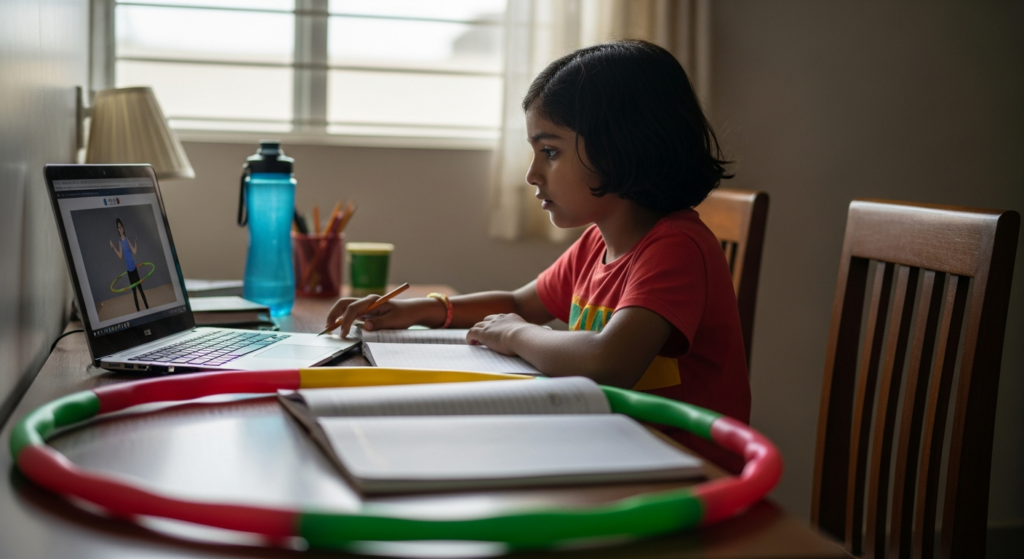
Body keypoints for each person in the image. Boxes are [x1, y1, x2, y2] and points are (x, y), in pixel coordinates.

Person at [326, 40, 750, 472]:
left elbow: (607, 362)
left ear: (623, 146)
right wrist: (415, 311)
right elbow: (517, 304)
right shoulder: (595, 243)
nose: (532, 174)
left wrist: (513, 335)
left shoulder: (676, 248)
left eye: (550, 152)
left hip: (686, 474)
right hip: (613, 451)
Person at [109, 217, 149, 312]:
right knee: (134, 292)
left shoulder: (126, 239)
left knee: (141, 290)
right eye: (118, 227)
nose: (120, 228)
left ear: (123, 227)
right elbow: (120, 256)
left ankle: (148, 309)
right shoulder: (120, 241)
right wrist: (113, 247)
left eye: (121, 226)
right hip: (129, 271)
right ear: (118, 230)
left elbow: (134, 251)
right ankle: (138, 311)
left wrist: (135, 242)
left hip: (134, 269)